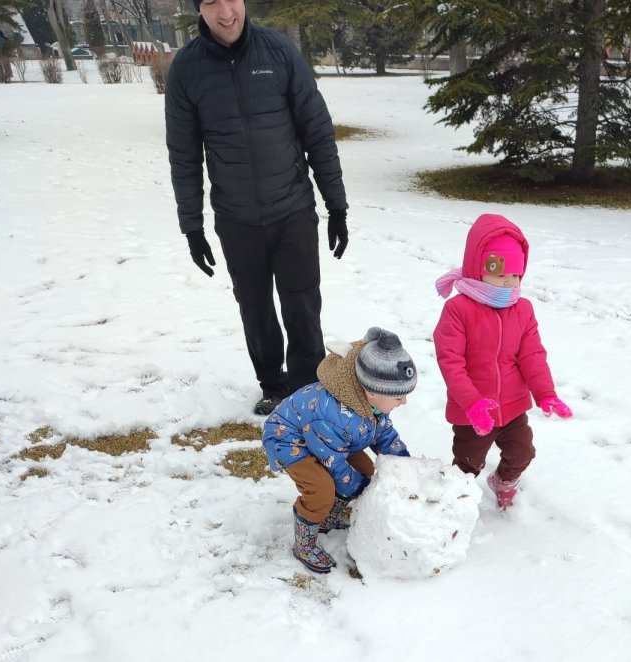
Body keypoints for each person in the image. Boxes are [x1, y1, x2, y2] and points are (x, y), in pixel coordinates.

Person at [165, 0, 349, 416]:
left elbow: (317, 131)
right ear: (200, 8)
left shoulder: (279, 52)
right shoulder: (187, 69)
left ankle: (305, 387)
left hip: (293, 209)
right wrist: (191, 226)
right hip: (237, 217)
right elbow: (184, 153)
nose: (224, 11)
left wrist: (335, 206)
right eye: (210, 2)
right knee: (255, 305)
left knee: (302, 302)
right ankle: (273, 384)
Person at [433, 213, 573, 510]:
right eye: (499, 274)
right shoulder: (458, 310)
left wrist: (546, 393)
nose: (508, 283)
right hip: (472, 412)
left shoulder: (522, 310)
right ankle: (457, 504)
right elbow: (450, 361)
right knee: (467, 464)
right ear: (478, 268)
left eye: (515, 276)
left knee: (523, 453)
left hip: (512, 406)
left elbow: (532, 354)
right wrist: (472, 403)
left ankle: (503, 481)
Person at [262, 327, 416, 573]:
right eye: (398, 397)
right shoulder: (333, 414)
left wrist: (407, 468)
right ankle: (305, 543)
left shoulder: (372, 406)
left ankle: (327, 518)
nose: (404, 402)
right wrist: (356, 488)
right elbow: (333, 463)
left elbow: (384, 435)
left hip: (333, 441)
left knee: (366, 472)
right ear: (373, 391)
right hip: (290, 441)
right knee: (321, 490)